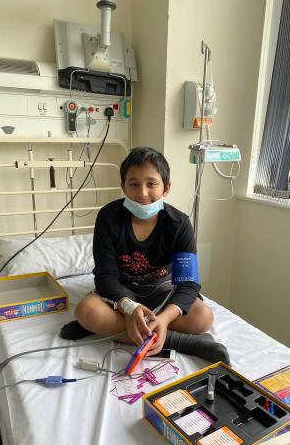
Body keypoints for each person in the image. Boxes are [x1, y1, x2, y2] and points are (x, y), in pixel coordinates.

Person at [60, 147, 229, 364]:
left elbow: (188, 282)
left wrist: (165, 318)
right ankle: (181, 342)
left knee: (203, 318)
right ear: (123, 187)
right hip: (121, 296)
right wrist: (129, 309)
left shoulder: (179, 224)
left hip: (162, 292)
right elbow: (105, 277)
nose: (142, 193)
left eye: (151, 184)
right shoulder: (108, 218)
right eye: (133, 184)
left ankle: (107, 328)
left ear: (166, 188)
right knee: (86, 311)